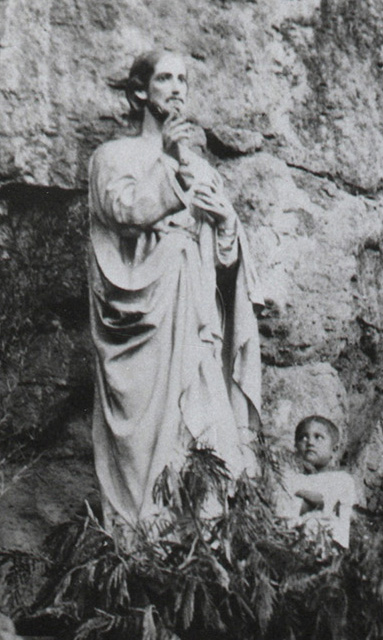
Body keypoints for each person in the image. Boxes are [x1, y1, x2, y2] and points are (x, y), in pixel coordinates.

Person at [88, 50, 263, 534]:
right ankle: (143, 556)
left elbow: (224, 269)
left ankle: (203, 562)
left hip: (196, 321)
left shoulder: (205, 171)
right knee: (148, 451)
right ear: (141, 91)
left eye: (183, 79)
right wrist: (168, 163)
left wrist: (226, 227)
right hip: (144, 324)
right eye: (165, 78)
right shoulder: (113, 157)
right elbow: (123, 211)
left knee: (207, 440)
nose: (178, 88)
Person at [274, 416, 356, 549]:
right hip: (294, 541)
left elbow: (323, 502)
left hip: (327, 545)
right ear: (295, 446)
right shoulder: (295, 477)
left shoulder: (341, 479)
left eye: (318, 437)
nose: (310, 442)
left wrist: (298, 492)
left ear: (334, 449)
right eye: (303, 437)